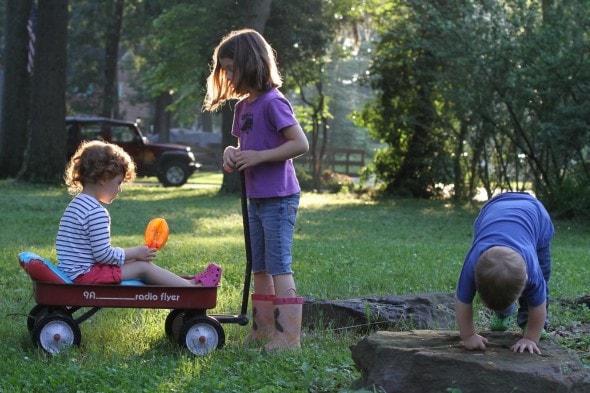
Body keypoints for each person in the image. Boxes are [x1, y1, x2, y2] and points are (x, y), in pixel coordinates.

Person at [202, 29, 309, 350]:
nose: (228, 76)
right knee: (259, 265)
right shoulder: (243, 108)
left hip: (279, 198)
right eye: (225, 70)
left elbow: (300, 143)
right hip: (256, 198)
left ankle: (289, 337)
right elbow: (243, 144)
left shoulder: (273, 102)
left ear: (251, 64)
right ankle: (263, 330)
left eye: (232, 69)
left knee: (278, 265)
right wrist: (230, 153)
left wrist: (261, 156)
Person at [56, 140, 222, 287]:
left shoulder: (77, 204)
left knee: (135, 262)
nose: (119, 189)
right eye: (118, 182)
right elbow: (103, 256)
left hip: (75, 272)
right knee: (143, 267)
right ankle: (191, 289)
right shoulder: (95, 212)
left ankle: (187, 282)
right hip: (85, 276)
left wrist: (130, 257)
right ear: (104, 177)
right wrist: (135, 252)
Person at [455, 192, 554, 354]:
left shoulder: (533, 270)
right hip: (492, 210)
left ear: (527, 280)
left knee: (544, 277)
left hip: (536, 215)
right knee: (498, 286)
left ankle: (526, 320)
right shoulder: (473, 263)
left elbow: (539, 304)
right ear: (475, 280)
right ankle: (503, 312)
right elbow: (463, 301)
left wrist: (530, 337)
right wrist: (468, 336)